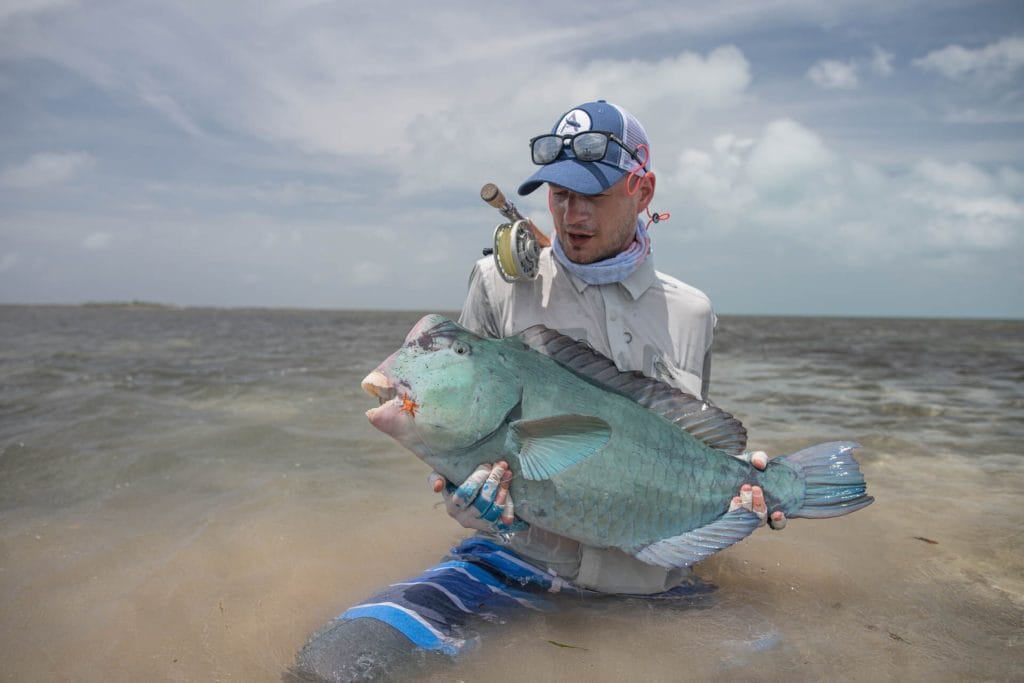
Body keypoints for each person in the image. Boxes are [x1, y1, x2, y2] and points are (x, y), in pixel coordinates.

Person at [289, 100, 783, 681]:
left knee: (787, 662)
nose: (572, 213)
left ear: (642, 191)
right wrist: (465, 497)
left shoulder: (691, 312)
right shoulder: (498, 285)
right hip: (515, 560)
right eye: (559, 195)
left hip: (655, 580)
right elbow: (454, 431)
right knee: (335, 665)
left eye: (592, 195)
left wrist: (738, 497)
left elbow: (684, 439)